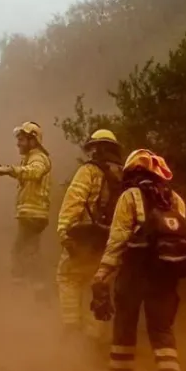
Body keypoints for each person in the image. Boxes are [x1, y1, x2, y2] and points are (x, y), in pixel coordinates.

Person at [91, 149, 186, 371]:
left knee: (125, 321)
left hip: (135, 270)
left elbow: (118, 239)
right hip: (165, 273)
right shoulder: (175, 200)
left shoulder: (130, 196)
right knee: (161, 327)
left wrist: (102, 274)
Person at [56, 129, 124, 338]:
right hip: (110, 242)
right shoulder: (124, 174)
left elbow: (74, 201)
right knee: (100, 286)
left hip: (85, 238)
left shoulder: (89, 171)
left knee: (68, 277)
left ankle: (72, 330)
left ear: (97, 148)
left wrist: (64, 233)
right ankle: (95, 338)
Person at [0, 121, 53, 292]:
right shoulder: (30, 158)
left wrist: (9, 170)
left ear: (33, 141)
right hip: (32, 213)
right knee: (28, 250)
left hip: (34, 214)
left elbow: (35, 172)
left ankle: (26, 291)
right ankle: (36, 289)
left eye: (21, 139)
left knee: (21, 251)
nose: (18, 143)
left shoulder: (38, 158)